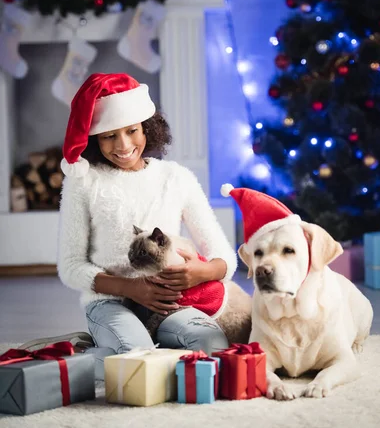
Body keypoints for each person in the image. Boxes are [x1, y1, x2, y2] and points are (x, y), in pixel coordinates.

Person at [21, 73, 237, 380]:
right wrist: (130, 288)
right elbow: (70, 267)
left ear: (147, 127)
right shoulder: (83, 181)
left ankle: (113, 353)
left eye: (131, 131)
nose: (122, 145)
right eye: (109, 135)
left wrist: (202, 272)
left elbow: (224, 257)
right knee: (138, 356)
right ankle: (74, 359)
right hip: (109, 301)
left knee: (213, 345)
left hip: (168, 304)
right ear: (95, 138)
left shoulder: (176, 178)